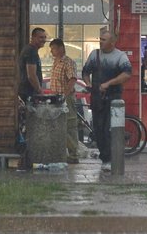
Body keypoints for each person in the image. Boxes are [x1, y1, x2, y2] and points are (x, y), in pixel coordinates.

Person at [81, 29, 132, 172]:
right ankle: (104, 157)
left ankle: (111, 158)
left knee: (109, 129)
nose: (100, 42)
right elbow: (85, 72)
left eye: (104, 40)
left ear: (112, 42)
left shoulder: (120, 56)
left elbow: (127, 74)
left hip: (114, 98)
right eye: (100, 39)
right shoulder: (94, 54)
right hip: (97, 98)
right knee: (98, 130)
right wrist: (88, 84)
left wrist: (109, 83)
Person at [16, 27, 47, 169]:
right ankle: (26, 159)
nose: (43, 40)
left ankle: (26, 158)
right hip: (27, 93)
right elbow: (31, 74)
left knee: (26, 126)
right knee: (27, 126)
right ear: (33, 38)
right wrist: (39, 90)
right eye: (40, 37)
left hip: (26, 92)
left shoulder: (30, 51)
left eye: (44, 37)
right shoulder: (31, 52)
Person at [49, 38, 80, 164]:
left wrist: (65, 95)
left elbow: (72, 80)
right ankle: (61, 152)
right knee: (58, 126)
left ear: (61, 48)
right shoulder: (56, 62)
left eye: (53, 49)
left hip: (65, 97)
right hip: (56, 97)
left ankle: (74, 155)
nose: (51, 52)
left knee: (69, 125)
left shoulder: (68, 62)